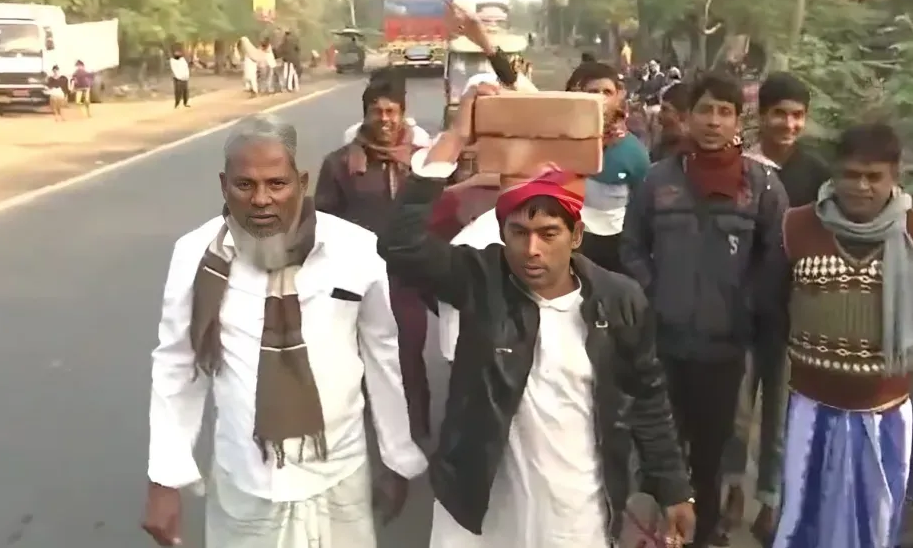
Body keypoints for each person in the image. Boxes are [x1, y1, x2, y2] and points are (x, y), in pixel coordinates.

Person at [378, 81, 696, 548]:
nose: (531, 249)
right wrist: (456, 136)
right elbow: (400, 244)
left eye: (549, 233)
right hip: (479, 510)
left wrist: (674, 490)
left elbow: (647, 398)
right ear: (501, 231)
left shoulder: (618, 300)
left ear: (577, 235)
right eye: (519, 232)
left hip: (574, 510)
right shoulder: (479, 278)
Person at [142, 114, 426, 548]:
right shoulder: (195, 256)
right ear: (223, 185)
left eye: (277, 183)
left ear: (302, 181)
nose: (261, 199)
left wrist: (396, 455)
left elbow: (382, 354)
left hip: (340, 474)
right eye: (245, 185)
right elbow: (178, 365)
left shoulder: (354, 250)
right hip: (246, 482)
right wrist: (165, 476)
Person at [620, 73, 789, 548]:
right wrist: (654, 294)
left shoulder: (762, 187)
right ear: (689, 116)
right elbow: (632, 247)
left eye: (724, 112)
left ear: (738, 120)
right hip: (664, 343)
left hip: (727, 349)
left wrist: (745, 303)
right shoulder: (658, 180)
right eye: (705, 110)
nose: (713, 121)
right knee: (662, 451)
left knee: (712, 455)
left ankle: (705, 533)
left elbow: (776, 258)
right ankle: (658, 534)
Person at [772, 122, 913, 548]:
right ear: (834, 174)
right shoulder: (797, 226)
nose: (860, 186)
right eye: (850, 175)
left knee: (875, 520)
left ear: (895, 175)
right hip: (810, 406)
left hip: (887, 412)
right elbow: (769, 304)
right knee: (803, 514)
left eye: (873, 176)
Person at [718, 71, 831, 546]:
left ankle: (771, 500)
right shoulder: (737, 166)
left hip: (794, 314)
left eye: (797, 115)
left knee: (781, 417)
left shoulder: (818, 174)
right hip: (736, 310)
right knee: (736, 412)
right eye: (779, 113)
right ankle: (732, 492)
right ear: (760, 115)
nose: (788, 123)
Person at [315, 75, 433, 440]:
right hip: (357, 279)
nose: (384, 118)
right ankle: (370, 431)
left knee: (407, 354)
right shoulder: (340, 165)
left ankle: (415, 430)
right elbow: (323, 221)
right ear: (365, 114)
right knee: (361, 358)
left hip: (407, 275)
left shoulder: (422, 162)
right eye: (376, 111)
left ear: (403, 114)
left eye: (391, 111)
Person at [570, 61, 650, 273]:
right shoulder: (562, 143)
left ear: (618, 96)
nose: (600, 99)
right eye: (593, 92)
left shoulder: (634, 153)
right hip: (569, 241)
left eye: (607, 92)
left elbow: (642, 206)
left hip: (615, 246)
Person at [651, 82, 690, 162]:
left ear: (684, 115)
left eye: (665, 110)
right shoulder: (659, 150)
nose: (659, 115)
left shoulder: (696, 159)